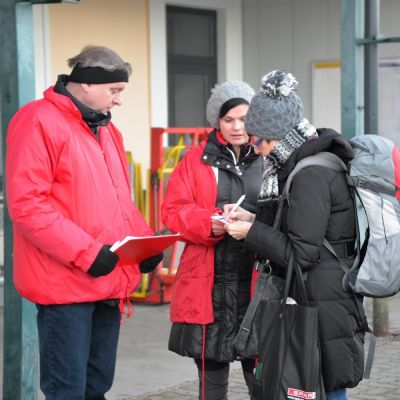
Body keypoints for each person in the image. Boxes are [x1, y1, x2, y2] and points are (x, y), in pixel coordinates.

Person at [6, 45, 162, 399]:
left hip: (106, 281)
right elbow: (28, 205)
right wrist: (88, 253)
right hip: (65, 285)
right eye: (115, 91)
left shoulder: (107, 131)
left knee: (96, 387)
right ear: (88, 84)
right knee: (67, 390)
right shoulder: (37, 121)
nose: (119, 101)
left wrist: (146, 243)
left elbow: (121, 202)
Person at [224, 70, 367, 400]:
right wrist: (252, 217)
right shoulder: (298, 164)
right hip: (321, 293)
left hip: (321, 299)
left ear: (277, 135)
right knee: (315, 383)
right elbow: (296, 225)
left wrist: (250, 232)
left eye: (257, 140)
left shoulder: (310, 174)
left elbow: (301, 253)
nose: (254, 148)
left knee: (324, 385)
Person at [161, 81, 263, 400]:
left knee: (260, 377)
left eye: (244, 118)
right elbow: (173, 210)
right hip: (208, 284)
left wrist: (253, 222)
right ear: (216, 121)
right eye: (228, 119)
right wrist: (212, 220)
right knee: (211, 379)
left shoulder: (267, 158)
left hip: (255, 280)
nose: (237, 127)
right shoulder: (194, 160)